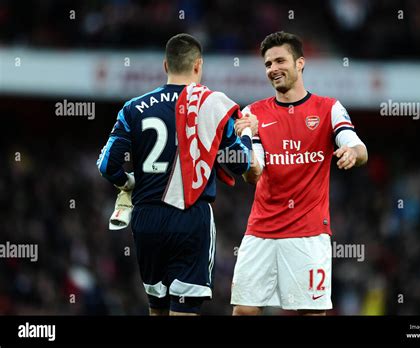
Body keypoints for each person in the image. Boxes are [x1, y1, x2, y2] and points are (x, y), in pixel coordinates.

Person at [97, 33, 257, 316]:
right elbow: (241, 163)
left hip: (146, 219)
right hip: (189, 216)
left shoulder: (133, 108)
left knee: (156, 309)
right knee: (183, 311)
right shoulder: (212, 105)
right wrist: (247, 133)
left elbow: (107, 165)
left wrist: (128, 183)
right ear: (198, 65)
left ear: (165, 66)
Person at [232, 31, 368, 315]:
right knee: (244, 311)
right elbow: (252, 174)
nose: (273, 69)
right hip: (261, 230)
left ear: (300, 63)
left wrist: (352, 153)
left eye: (280, 60)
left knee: (311, 313)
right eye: (268, 64)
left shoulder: (329, 108)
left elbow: (358, 147)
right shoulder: (253, 114)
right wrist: (246, 139)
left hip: (308, 232)